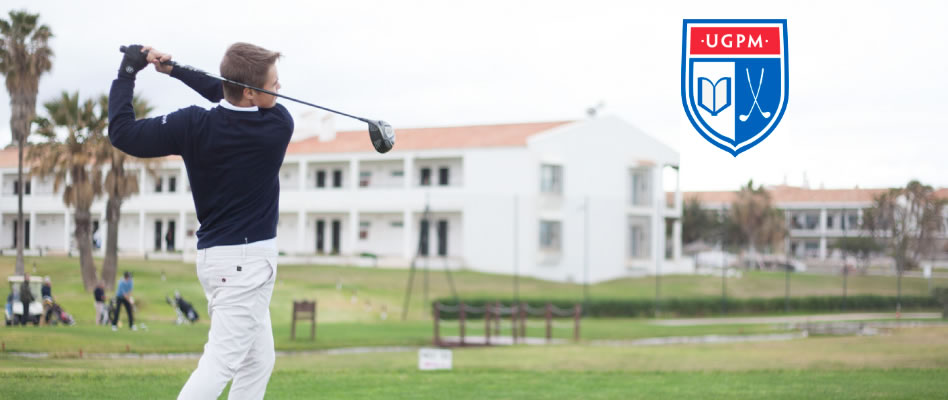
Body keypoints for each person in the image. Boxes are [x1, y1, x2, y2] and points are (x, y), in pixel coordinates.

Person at [109, 43, 288, 399]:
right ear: (251, 92)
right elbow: (223, 91)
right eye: (274, 83)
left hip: (217, 260)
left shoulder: (193, 124)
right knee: (220, 364)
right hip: (247, 265)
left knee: (258, 360)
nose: (280, 88)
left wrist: (128, 72)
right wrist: (176, 70)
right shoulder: (278, 126)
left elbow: (123, 132)